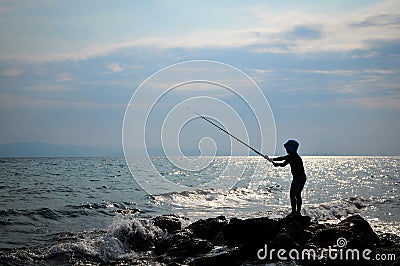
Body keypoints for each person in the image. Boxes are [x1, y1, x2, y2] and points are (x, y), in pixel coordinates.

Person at [265, 140, 306, 215]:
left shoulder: (293, 157)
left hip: (298, 179)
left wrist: (275, 163)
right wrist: (271, 159)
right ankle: (297, 212)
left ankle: (295, 212)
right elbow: (282, 158)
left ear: (290, 149)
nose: (286, 150)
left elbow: (283, 163)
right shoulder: (293, 156)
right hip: (302, 177)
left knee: (293, 195)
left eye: (287, 148)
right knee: (297, 195)